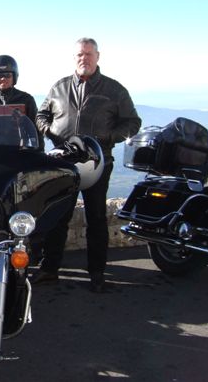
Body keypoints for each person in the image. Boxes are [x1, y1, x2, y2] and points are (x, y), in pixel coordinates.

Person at [33, 38, 141, 292]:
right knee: (58, 216)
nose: (84, 59)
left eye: (89, 54)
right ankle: (49, 269)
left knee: (97, 218)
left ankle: (97, 273)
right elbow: (41, 115)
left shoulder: (115, 90)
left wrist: (108, 138)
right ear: (74, 58)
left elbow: (133, 123)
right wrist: (50, 132)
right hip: (65, 163)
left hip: (97, 162)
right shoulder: (59, 87)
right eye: (80, 55)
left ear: (97, 57)